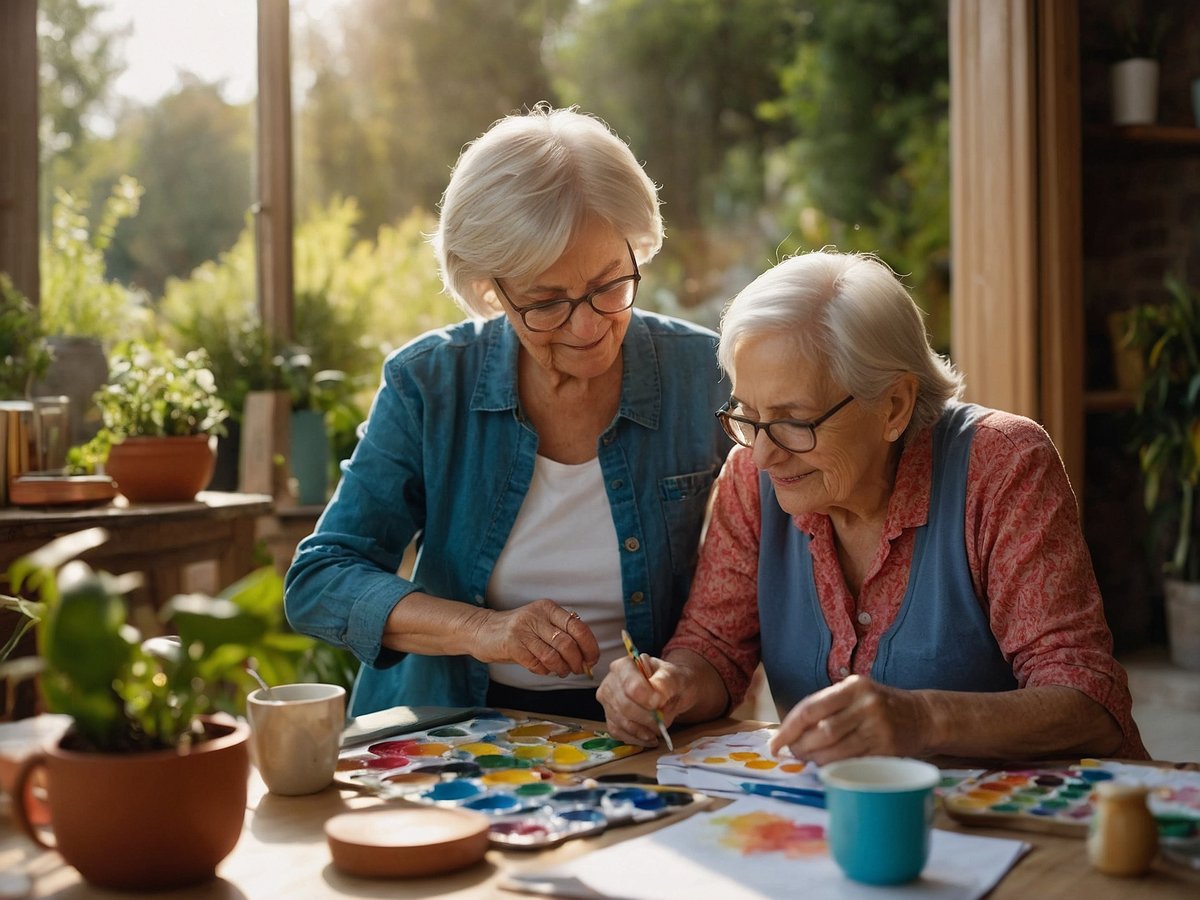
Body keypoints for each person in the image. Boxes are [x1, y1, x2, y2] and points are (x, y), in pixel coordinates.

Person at [598, 249, 1148, 762]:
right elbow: (715, 647)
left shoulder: (1000, 465)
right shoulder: (752, 475)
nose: (763, 455)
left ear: (893, 405)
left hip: (1034, 830)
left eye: (793, 420)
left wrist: (924, 718)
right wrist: (669, 686)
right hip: (845, 828)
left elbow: (1088, 701)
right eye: (748, 415)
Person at [284, 104, 731, 722]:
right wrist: (482, 630)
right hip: (452, 730)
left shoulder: (705, 373)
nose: (588, 326)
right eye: (547, 302)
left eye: (609, 285)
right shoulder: (428, 384)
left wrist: (682, 680)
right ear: (489, 288)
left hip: (643, 741)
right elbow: (321, 579)